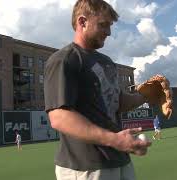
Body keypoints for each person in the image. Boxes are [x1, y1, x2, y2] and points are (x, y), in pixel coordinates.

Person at [44, 1, 151, 180]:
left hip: (119, 159)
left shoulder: (107, 61)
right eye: (103, 25)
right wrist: (115, 140)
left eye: (109, 26)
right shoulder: (64, 59)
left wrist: (145, 95)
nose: (108, 32)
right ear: (82, 22)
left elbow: (116, 101)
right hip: (85, 167)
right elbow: (59, 117)